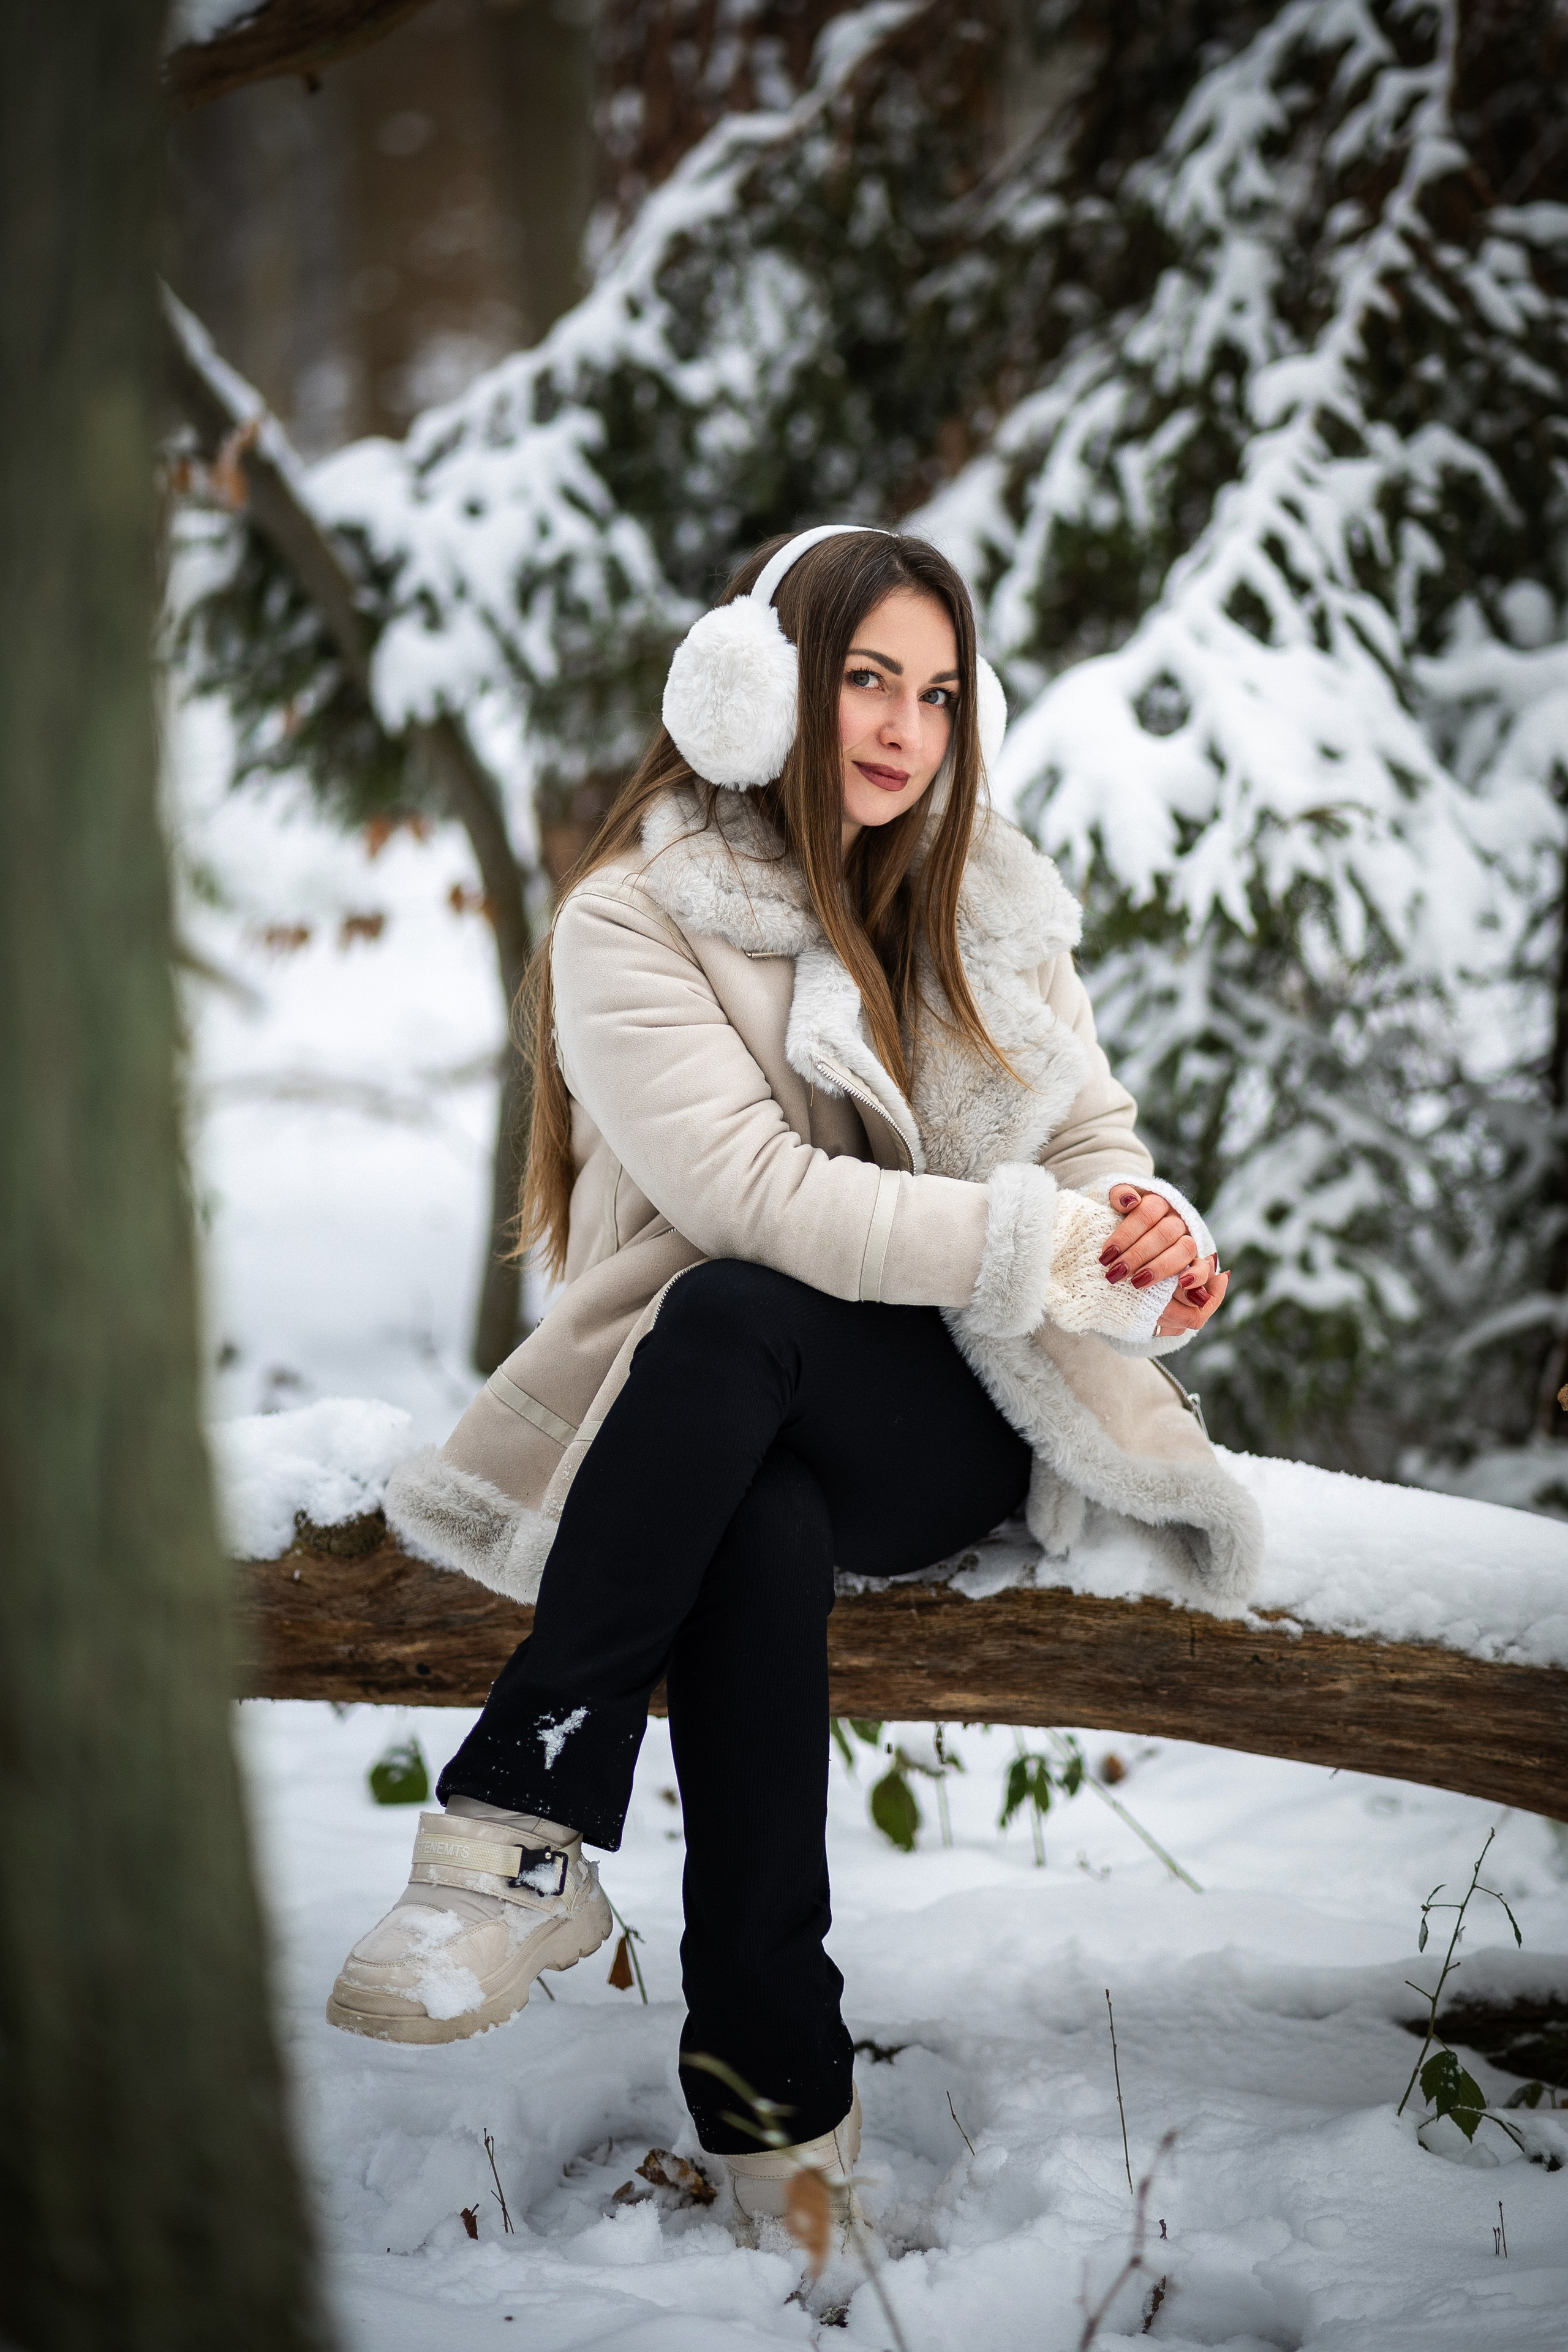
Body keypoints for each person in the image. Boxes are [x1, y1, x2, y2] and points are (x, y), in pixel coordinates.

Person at [328, 525, 1258, 2226]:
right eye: (863, 679)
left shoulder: (994, 904)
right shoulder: (635, 923)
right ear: (755, 691)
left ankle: (520, 1817)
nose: (905, 727)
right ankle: (781, 2117)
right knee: (751, 1491)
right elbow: (754, 1195)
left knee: (738, 1321)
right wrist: (1034, 1233)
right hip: (726, 1414)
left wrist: (1140, 1238)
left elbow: (1099, 1143)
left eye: (940, 693)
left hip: (959, 1415)